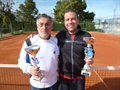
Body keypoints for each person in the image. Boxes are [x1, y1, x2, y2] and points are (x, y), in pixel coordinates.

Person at [18, 14, 59, 90]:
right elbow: (21, 61)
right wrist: (30, 69)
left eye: (47, 24)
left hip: (54, 84)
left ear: (51, 27)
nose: (44, 27)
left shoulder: (56, 41)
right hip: (36, 85)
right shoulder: (29, 42)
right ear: (37, 27)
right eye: (41, 24)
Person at [56, 9, 94, 90]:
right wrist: (34, 38)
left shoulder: (86, 35)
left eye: (73, 19)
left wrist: (91, 58)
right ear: (64, 22)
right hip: (63, 78)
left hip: (79, 78)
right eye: (67, 19)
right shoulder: (60, 35)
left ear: (78, 20)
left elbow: (90, 51)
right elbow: (48, 43)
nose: (70, 22)